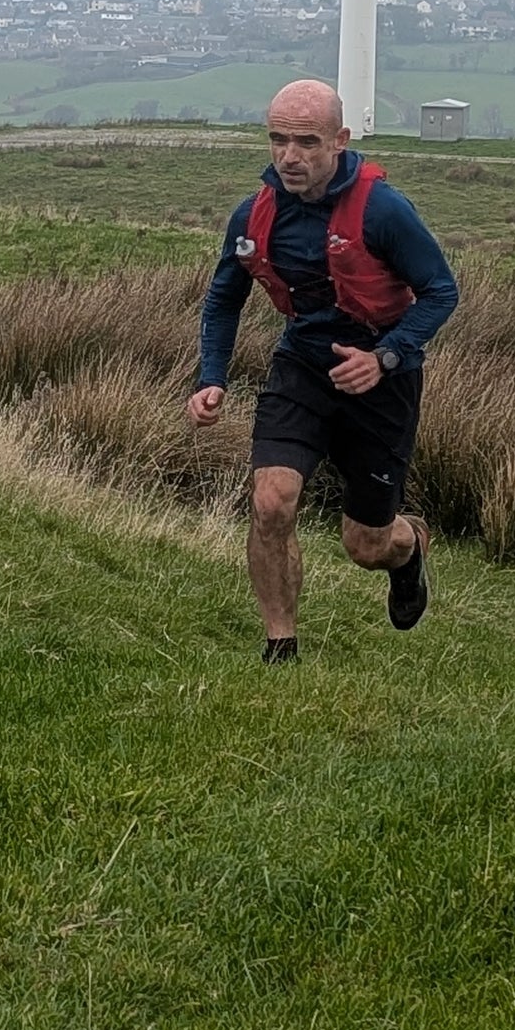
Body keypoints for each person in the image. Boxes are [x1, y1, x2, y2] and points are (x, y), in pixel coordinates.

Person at [189, 80, 459, 662]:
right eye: (278, 139)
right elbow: (221, 300)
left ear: (339, 140)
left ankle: (408, 550)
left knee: (365, 545)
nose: (289, 156)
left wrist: (384, 356)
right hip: (302, 367)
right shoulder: (253, 213)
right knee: (271, 501)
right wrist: (212, 377)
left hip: (382, 379)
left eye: (306, 141)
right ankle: (280, 647)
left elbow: (441, 291)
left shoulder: (385, 210)